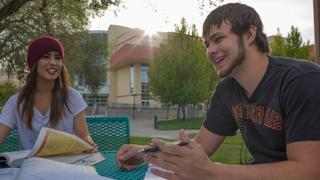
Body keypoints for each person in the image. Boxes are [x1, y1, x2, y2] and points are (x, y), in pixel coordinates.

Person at [116, 3, 320, 179]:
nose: (210, 51)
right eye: (207, 44)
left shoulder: (301, 80)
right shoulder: (227, 90)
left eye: (218, 39)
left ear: (249, 34)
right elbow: (200, 146)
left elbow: (310, 172)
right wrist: (144, 153)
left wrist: (213, 173)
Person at [0, 36, 96, 151]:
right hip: (30, 167)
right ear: (34, 63)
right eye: (46, 57)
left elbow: (84, 136)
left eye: (58, 58)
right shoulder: (16, 102)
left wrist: (89, 145)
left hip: (66, 166)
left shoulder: (72, 97)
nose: (53, 62)